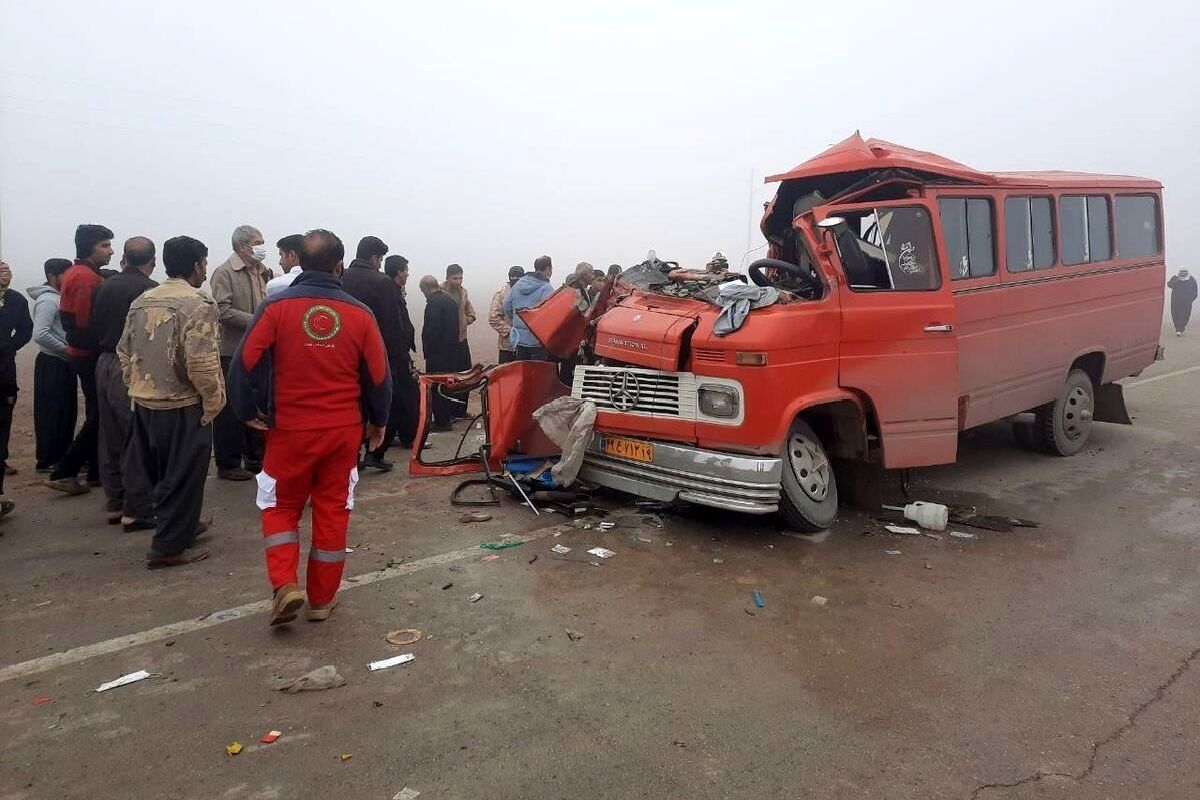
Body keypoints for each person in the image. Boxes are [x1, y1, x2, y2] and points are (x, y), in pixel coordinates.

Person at [227, 229, 391, 626]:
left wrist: (246, 410)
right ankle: (321, 600)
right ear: (339, 265)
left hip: (289, 431)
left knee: (281, 507)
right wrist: (378, 423)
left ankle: (285, 584)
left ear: (299, 260)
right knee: (333, 510)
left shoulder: (275, 308)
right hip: (342, 431)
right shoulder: (360, 313)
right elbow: (380, 377)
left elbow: (242, 364)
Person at [119, 236, 225, 568]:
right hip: (183, 403)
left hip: (146, 401)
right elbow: (201, 363)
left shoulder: (143, 300)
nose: (205, 272)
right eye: (204, 264)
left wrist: (135, 386)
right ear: (196, 265)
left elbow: (125, 351)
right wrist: (213, 401)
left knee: (161, 470)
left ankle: (183, 526)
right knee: (184, 474)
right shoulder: (199, 304)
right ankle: (167, 547)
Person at [91, 237, 158, 528]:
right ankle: (139, 508)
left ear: (125, 258)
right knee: (137, 437)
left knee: (110, 436)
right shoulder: (149, 290)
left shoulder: (105, 286)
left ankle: (115, 502)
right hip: (131, 365)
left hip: (104, 362)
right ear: (152, 261)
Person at [45, 224, 114, 496]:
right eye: (104, 245)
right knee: (99, 415)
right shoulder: (85, 277)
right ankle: (65, 471)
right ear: (89, 247)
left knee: (98, 413)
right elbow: (87, 323)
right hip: (88, 355)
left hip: (81, 353)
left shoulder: (79, 273)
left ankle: (95, 472)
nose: (110, 251)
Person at [210, 224, 271, 480]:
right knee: (231, 408)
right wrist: (259, 319)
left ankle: (255, 458)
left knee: (255, 403)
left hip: (257, 348)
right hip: (232, 350)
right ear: (243, 246)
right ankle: (228, 462)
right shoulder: (224, 273)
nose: (262, 247)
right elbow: (221, 311)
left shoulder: (260, 272)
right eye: (258, 242)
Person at [341, 236, 403, 471]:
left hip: (345, 355)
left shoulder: (341, 277)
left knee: (352, 406)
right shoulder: (383, 282)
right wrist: (395, 357)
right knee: (380, 403)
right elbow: (391, 324)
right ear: (375, 258)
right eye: (380, 259)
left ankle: (352, 456)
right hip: (375, 354)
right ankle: (375, 453)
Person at [28, 258, 77, 473]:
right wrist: (67, 350)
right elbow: (40, 334)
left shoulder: (58, 298)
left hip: (62, 362)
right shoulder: (48, 301)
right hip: (52, 362)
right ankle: (48, 459)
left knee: (65, 411)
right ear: (52, 276)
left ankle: (62, 455)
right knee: (52, 412)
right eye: (65, 275)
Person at [0, 262, 32, 514]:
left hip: (3, 375)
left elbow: (25, 329)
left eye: (7, 269)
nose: (5, 271)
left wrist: (8, 347)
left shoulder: (15, 300)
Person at [384, 255, 420, 448]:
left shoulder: (394, 290)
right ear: (398, 271)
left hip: (397, 353)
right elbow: (395, 325)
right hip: (395, 355)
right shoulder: (388, 291)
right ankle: (407, 436)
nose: (407, 273)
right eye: (405, 270)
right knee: (405, 394)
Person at [419, 275, 462, 431]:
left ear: (426, 287)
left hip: (437, 354)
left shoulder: (433, 304)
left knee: (436, 387)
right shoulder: (449, 301)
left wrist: (428, 350)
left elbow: (432, 330)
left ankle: (442, 421)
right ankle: (446, 417)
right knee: (446, 385)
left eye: (422, 291)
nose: (423, 295)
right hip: (451, 351)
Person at [504, 255, 555, 361]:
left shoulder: (518, 285)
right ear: (548, 269)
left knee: (522, 372)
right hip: (537, 341)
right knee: (536, 373)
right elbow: (548, 315)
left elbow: (507, 305)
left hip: (518, 340)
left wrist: (516, 321)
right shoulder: (546, 288)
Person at [441, 264, 476, 372]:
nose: (458, 281)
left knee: (465, 372)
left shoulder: (463, 292)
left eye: (460, 278)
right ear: (447, 278)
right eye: (455, 278)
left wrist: (464, 322)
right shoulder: (439, 293)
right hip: (445, 342)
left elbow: (472, 313)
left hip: (461, 340)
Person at [489, 266, 524, 364]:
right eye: (513, 276)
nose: (515, 279)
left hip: (525, 345)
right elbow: (493, 317)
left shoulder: (528, 293)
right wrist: (510, 331)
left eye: (518, 277)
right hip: (507, 346)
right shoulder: (501, 295)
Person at [1168, 268, 1197, 336]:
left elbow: (1195, 289)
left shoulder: (1191, 279)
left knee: (1186, 315)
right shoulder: (1175, 278)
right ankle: (1178, 329)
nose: (1183, 273)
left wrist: (1191, 298)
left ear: (1187, 272)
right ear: (1179, 272)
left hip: (1187, 301)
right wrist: (1176, 279)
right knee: (1176, 314)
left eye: (1185, 271)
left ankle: (1182, 327)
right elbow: (1169, 285)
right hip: (1176, 301)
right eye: (1182, 271)